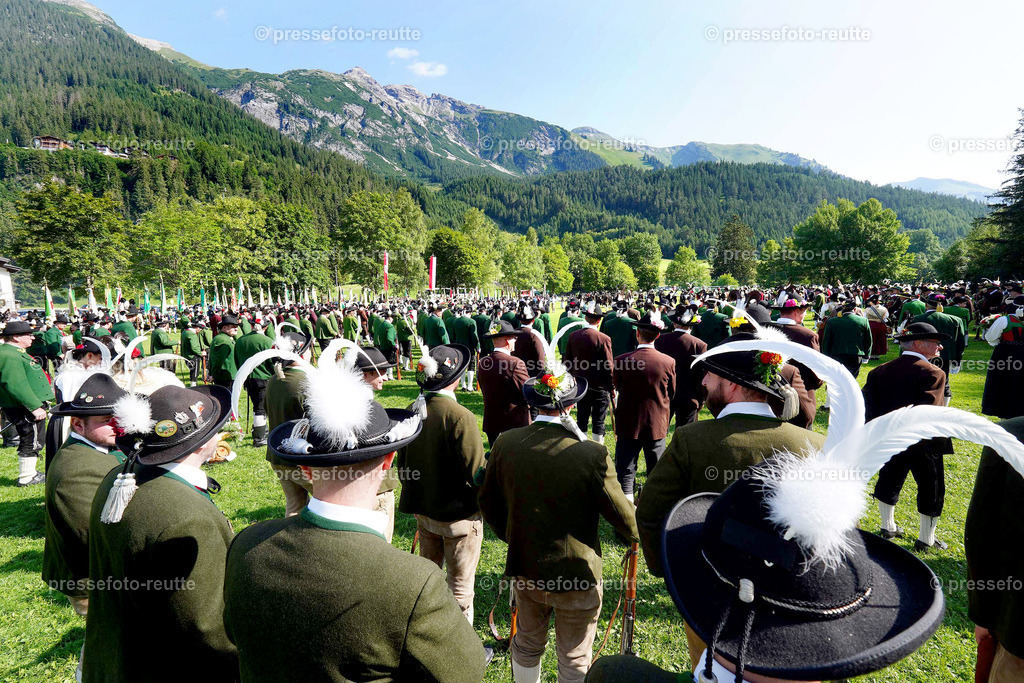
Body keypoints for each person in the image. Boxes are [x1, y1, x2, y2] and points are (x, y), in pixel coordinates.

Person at [224, 361, 488, 681]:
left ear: (305, 470)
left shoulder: (245, 546)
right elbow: (464, 671)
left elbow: (232, 632)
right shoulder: (413, 582)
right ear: (388, 460)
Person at [636, 332, 825, 663]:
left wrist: (668, 570)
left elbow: (651, 513)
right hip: (788, 599)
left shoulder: (690, 440)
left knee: (710, 669)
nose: (704, 383)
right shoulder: (814, 445)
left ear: (733, 384)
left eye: (710, 375)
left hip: (707, 591)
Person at [480, 358, 638, 682]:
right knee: (575, 655)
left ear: (532, 402)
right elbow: (627, 521)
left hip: (526, 566)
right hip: (577, 576)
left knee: (526, 643)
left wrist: (515, 536)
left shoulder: (505, 443)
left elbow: (487, 503)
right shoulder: (591, 454)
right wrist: (640, 531)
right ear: (569, 405)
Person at [83, 383, 237, 681]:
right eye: (216, 428)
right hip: (162, 666)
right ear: (205, 442)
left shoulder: (118, 477)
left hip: (110, 658)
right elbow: (208, 627)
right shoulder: (188, 518)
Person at [398, 345, 487, 626]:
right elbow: (477, 475)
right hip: (459, 520)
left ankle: (426, 637)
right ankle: (460, 656)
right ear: (456, 378)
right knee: (459, 591)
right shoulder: (460, 416)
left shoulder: (413, 409)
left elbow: (403, 467)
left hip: (424, 513)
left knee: (429, 585)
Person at [43, 374, 126, 618]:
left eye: (120, 418)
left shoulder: (99, 446)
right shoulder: (75, 470)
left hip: (106, 572)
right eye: (107, 420)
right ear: (78, 425)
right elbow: (96, 534)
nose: (118, 426)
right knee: (105, 639)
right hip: (93, 580)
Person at [869, 322, 954, 552]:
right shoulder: (933, 372)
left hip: (889, 437)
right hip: (923, 442)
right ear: (918, 343)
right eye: (936, 343)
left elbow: (871, 410)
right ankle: (926, 539)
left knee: (889, 478)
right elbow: (931, 412)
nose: (940, 348)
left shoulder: (879, 370)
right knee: (932, 486)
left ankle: (888, 527)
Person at [966, 416, 1024, 682]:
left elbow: (982, 532)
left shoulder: (1011, 433)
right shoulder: (1009, 435)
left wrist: (984, 614)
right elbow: (983, 531)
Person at [612, 312, 676, 502]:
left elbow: (618, 387)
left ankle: (627, 514)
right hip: (655, 422)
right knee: (655, 470)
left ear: (637, 333)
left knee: (625, 470)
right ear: (657, 336)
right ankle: (652, 508)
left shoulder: (621, 360)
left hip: (628, 422)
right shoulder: (667, 361)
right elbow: (671, 392)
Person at [263, 331, 315, 516]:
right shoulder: (307, 381)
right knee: (330, 503)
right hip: (303, 459)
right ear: (302, 353)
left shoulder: (273, 380)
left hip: (278, 455)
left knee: (294, 506)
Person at [0, 319, 55, 486]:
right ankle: (27, 476)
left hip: (22, 405)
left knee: (31, 437)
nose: (32, 338)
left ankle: (29, 473)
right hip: (23, 406)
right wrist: (34, 406)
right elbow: (15, 384)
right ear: (16, 337)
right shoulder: (9, 354)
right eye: (28, 335)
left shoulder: (13, 351)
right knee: (30, 438)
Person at [563, 305, 613, 444]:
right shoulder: (604, 338)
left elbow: (567, 362)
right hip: (599, 386)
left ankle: (582, 447)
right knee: (599, 420)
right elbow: (608, 366)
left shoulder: (574, 336)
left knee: (582, 418)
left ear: (585, 317)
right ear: (599, 321)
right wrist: (612, 386)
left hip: (580, 385)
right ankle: (597, 448)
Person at [477, 319, 531, 446]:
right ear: (508, 340)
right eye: (514, 338)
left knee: (495, 462)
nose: (515, 341)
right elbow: (527, 392)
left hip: (492, 422)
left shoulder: (483, 362)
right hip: (514, 424)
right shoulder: (515, 363)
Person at [653, 306, 707, 427]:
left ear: (673, 323)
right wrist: (701, 398)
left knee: (659, 433)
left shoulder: (660, 340)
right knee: (684, 436)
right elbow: (701, 374)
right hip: (689, 396)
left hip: (663, 394)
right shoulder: (699, 345)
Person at [233, 322, 274, 446]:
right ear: (266, 327)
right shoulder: (267, 341)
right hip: (263, 377)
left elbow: (237, 359)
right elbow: (271, 362)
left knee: (257, 405)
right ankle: (260, 437)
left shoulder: (240, 340)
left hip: (247, 377)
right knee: (260, 407)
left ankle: (260, 429)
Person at [821, 301, 872, 378]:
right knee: (851, 379)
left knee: (837, 378)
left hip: (836, 354)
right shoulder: (863, 321)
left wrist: (826, 354)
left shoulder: (832, 321)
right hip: (855, 354)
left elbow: (826, 340)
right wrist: (867, 355)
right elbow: (868, 340)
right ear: (854, 309)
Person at [209, 313, 240, 387]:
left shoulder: (227, 338)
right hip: (225, 378)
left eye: (237, 326)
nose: (236, 329)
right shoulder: (222, 340)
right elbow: (218, 361)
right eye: (233, 327)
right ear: (224, 328)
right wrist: (213, 374)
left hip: (229, 375)